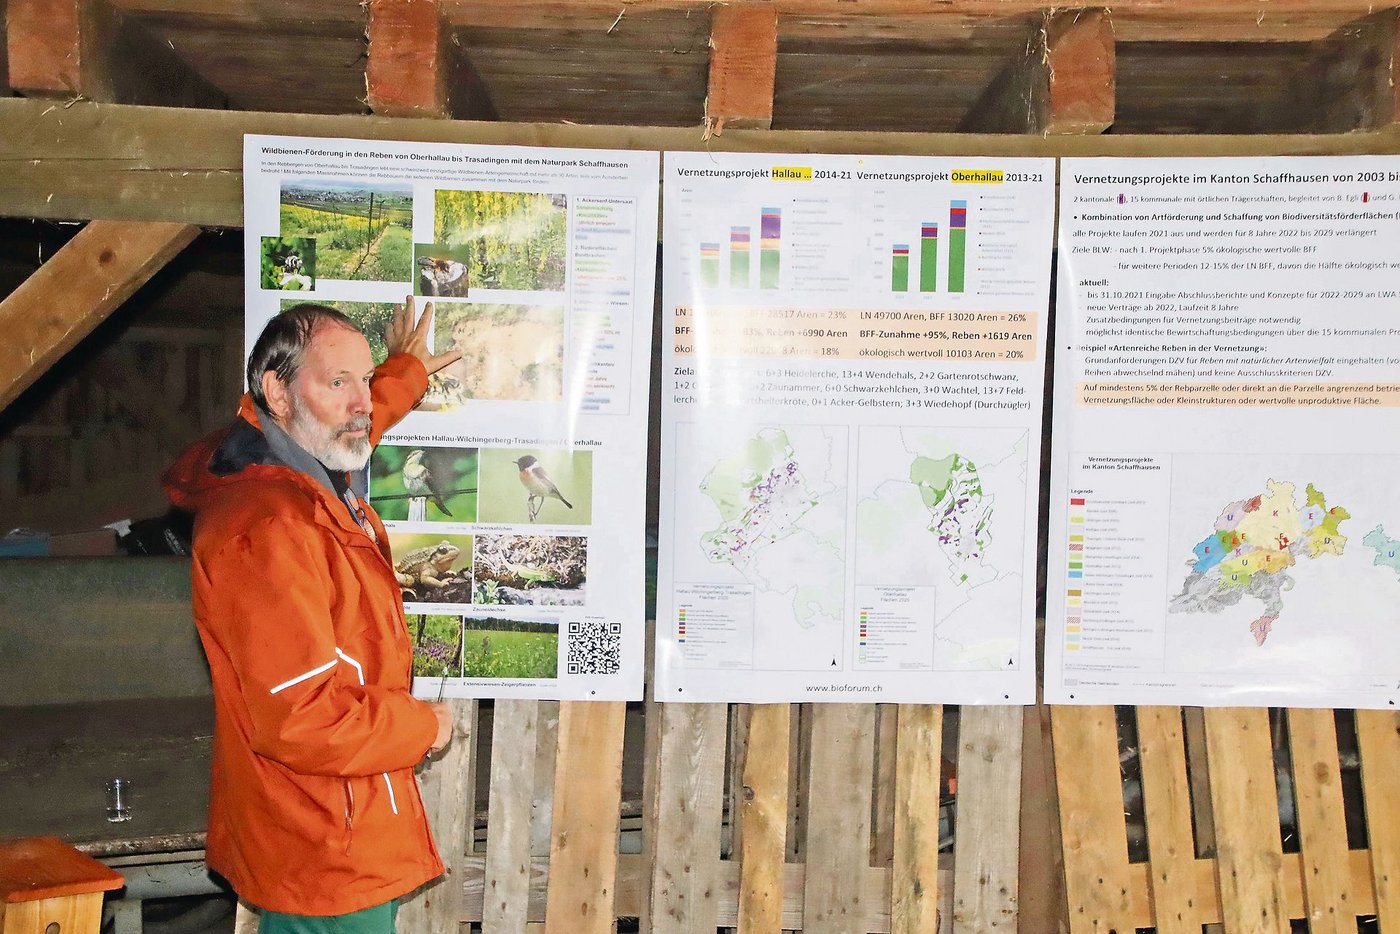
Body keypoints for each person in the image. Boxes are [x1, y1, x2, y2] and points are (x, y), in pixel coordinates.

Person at [163, 298, 461, 933]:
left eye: (363, 377)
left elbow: (362, 414)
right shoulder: (267, 530)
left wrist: (403, 370)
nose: (360, 402)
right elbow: (300, 718)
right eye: (337, 381)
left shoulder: (302, 460)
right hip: (324, 837)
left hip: (333, 819)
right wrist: (423, 727)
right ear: (277, 391)